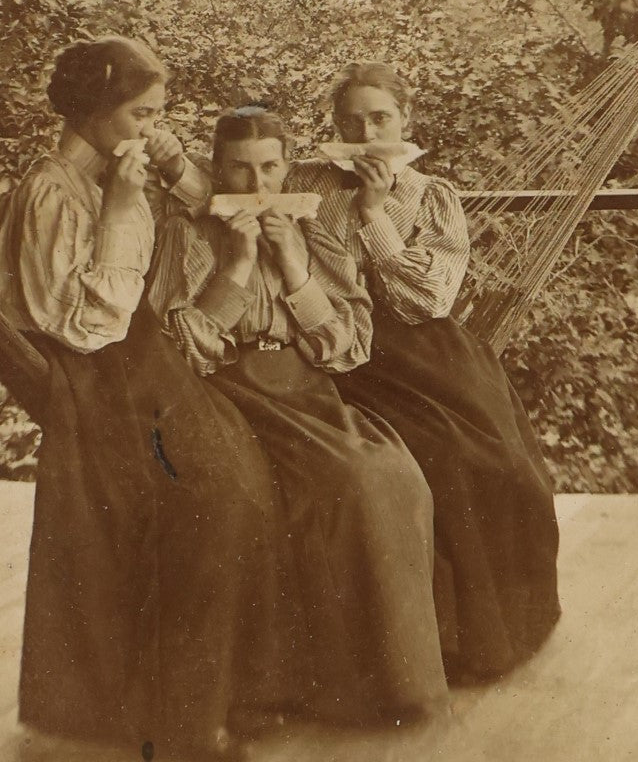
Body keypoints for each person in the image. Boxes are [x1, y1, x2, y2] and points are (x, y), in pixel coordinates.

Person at [0, 37, 287, 762]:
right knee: (212, 498)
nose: (151, 129)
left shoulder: (118, 164)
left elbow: (211, 200)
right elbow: (91, 322)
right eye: (141, 114)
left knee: (242, 483)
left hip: (137, 360)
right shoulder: (53, 192)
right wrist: (122, 204)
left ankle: (224, 693)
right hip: (93, 375)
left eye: (158, 114)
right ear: (93, 111)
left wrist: (167, 163)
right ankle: (185, 714)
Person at [147, 106, 448, 725]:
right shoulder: (189, 230)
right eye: (239, 169)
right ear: (217, 168)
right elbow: (182, 351)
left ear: (288, 169)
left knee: (384, 478)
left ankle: (384, 685)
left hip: (306, 387)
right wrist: (234, 266)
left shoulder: (316, 229)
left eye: (269, 168)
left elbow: (349, 343)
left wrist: (292, 267)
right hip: (225, 393)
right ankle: (290, 688)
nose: (256, 187)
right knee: (288, 491)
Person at [286, 62, 561, 684]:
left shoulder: (432, 195)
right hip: (342, 351)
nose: (366, 133)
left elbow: (429, 298)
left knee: (503, 468)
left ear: (405, 121)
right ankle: (442, 646)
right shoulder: (301, 182)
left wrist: (374, 211)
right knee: (442, 462)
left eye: (380, 118)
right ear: (334, 125)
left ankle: (503, 632)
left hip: (425, 350)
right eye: (351, 121)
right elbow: (222, 188)